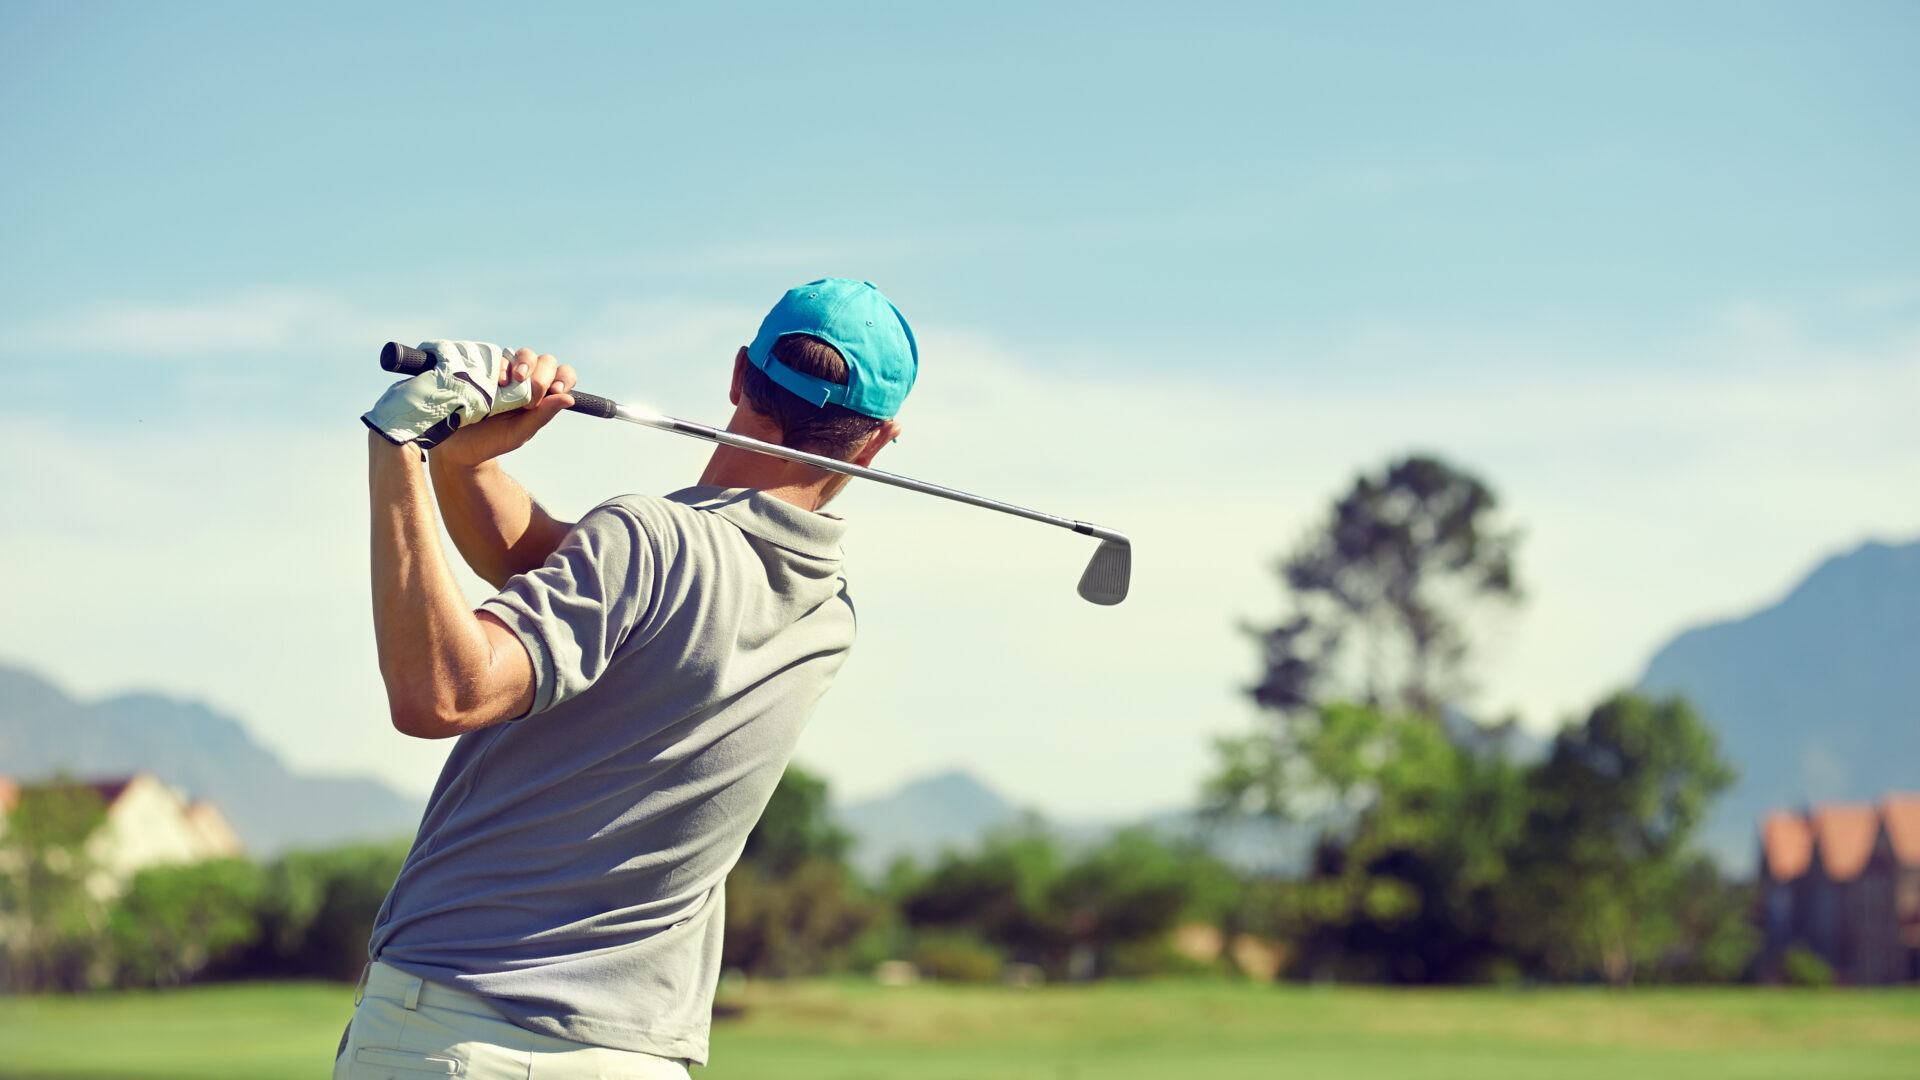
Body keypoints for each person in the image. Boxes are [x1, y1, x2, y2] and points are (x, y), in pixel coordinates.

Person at [340, 279, 917, 1078]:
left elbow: (443, 690)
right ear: (879, 441)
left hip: (457, 1032)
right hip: (637, 1059)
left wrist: (401, 443)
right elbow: (544, 565)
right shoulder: (829, 612)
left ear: (739, 376)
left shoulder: (649, 541)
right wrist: (466, 455)